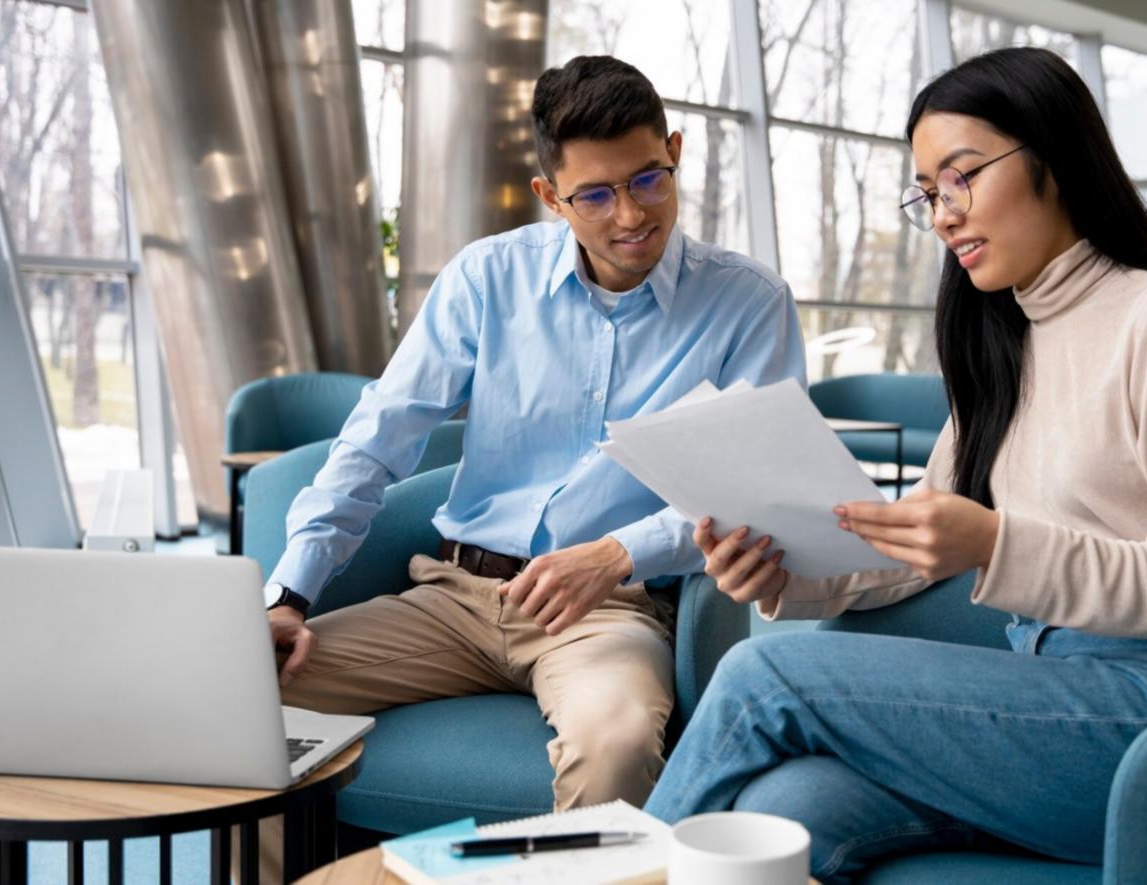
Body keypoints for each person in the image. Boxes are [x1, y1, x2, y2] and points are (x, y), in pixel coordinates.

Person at [644, 47, 1147, 883]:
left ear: (1051, 158)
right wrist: (781, 568)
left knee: (765, 670)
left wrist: (994, 544)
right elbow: (915, 539)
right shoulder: (1004, 341)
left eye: (962, 177)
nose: (943, 214)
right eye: (927, 193)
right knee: (792, 810)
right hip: (1053, 696)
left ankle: (608, 874)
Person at [252, 55, 805, 880]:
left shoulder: (747, 303)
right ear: (550, 196)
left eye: (649, 178)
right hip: (453, 599)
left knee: (613, 743)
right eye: (595, 193)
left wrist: (618, 554)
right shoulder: (487, 278)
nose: (630, 214)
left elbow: (755, 488)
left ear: (675, 151)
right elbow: (377, 439)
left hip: (608, 611)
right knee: (242, 700)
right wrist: (290, 593)